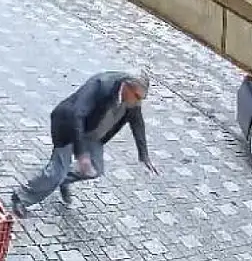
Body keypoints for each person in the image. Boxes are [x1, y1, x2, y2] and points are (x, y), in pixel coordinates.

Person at [10, 71, 158, 218]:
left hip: (93, 132)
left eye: (141, 98)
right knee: (56, 172)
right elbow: (76, 114)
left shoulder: (132, 100)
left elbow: (137, 122)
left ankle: (61, 180)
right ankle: (21, 197)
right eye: (138, 97)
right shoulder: (101, 84)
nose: (138, 102)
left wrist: (143, 155)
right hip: (69, 126)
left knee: (96, 169)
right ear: (127, 86)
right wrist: (82, 155)